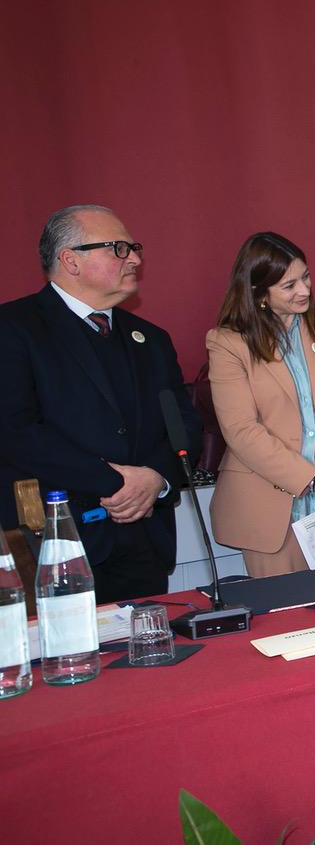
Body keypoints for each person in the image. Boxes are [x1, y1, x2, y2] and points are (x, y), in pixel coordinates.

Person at [0, 205, 201, 603]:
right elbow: (15, 431)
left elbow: (184, 425)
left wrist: (157, 479)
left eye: (133, 248)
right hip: (55, 543)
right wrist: (115, 482)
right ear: (70, 260)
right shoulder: (14, 329)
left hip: (143, 537)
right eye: (119, 249)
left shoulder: (151, 339)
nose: (136, 260)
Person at [206, 232, 315, 577]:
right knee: (284, 620)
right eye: (288, 286)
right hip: (270, 507)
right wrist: (313, 479)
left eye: (305, 277)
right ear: (259, 293)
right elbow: (240, 429)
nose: (303, 290)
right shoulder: (227, 343)